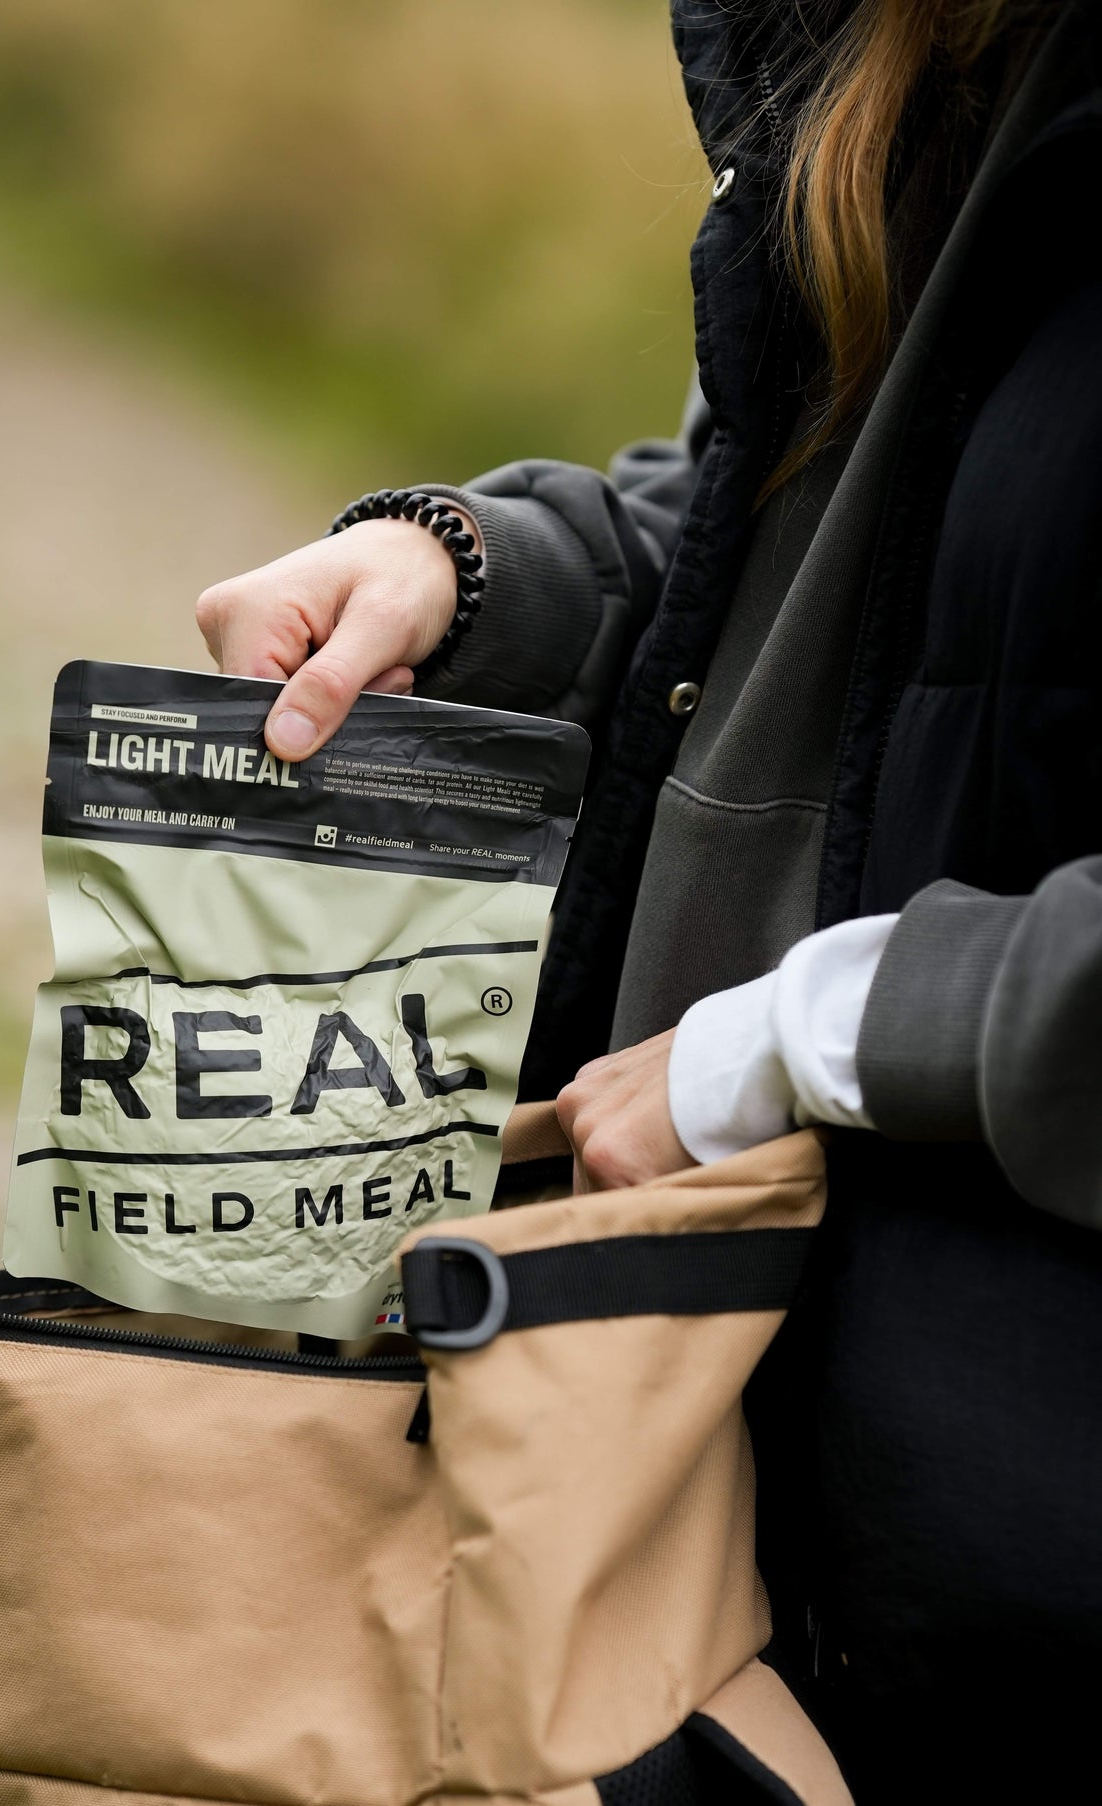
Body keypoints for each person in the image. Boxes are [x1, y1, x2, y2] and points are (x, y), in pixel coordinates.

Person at [194, 1, 1102, 1795]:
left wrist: (820, 1027)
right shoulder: (914, 62)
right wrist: (471, 576)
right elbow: (801, 570)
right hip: (713, 1488)